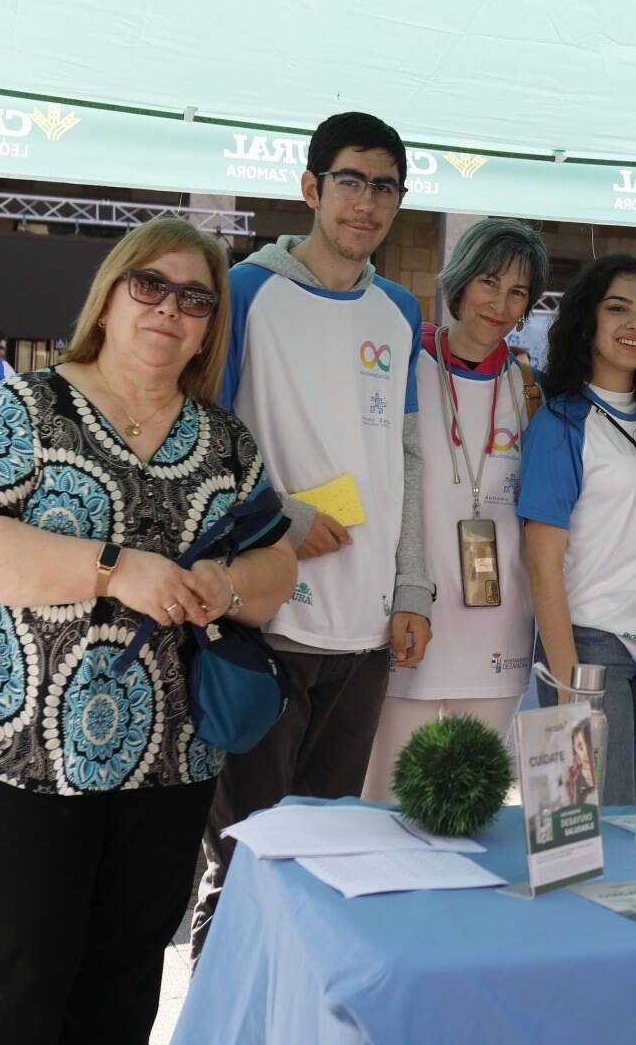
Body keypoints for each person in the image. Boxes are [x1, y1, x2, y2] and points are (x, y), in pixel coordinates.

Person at [0, 218, 296, 1045]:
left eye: (194, 298)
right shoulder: (32, 404)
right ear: (112, 295)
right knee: (13, 981)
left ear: (209, 325)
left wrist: (227, 584)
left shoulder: (224, 441)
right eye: (150, 286)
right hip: (26, 751)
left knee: (122, 984)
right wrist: (116, 567)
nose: (170, 309)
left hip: (171, 758)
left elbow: (279, 570)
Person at [194, 111, 430, 958]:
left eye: (385, 187)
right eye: (350, 181)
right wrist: (280, 516)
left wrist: (410, 589)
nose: (366, 202)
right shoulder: (247, 291)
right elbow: (204, 438)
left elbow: (407, 462)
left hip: (364, 635)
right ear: (311, 188)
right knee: (246, 855)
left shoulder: (401, 311)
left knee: (329, 855)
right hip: (263, 619)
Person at [360, 219, 549, 803]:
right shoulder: (407, 366)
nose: (499, 303)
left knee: (471, 805)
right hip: (412, 617)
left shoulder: (528, 387)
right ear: (461, 282)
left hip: (500, 628)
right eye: (489, 283)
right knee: (384, 800)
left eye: (518, 292)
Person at [521, 254, 636, 806]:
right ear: (587, 319)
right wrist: (570, 686)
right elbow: (542, 563)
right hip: (593, 642)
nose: (634, 326)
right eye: (617, 308)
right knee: (599, 820)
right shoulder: (562, 422)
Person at [563, 720, 598, 806]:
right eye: (580, 746)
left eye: (589, 743)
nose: (586, 751)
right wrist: (570, 798)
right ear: (576, 755)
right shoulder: (581, 787)